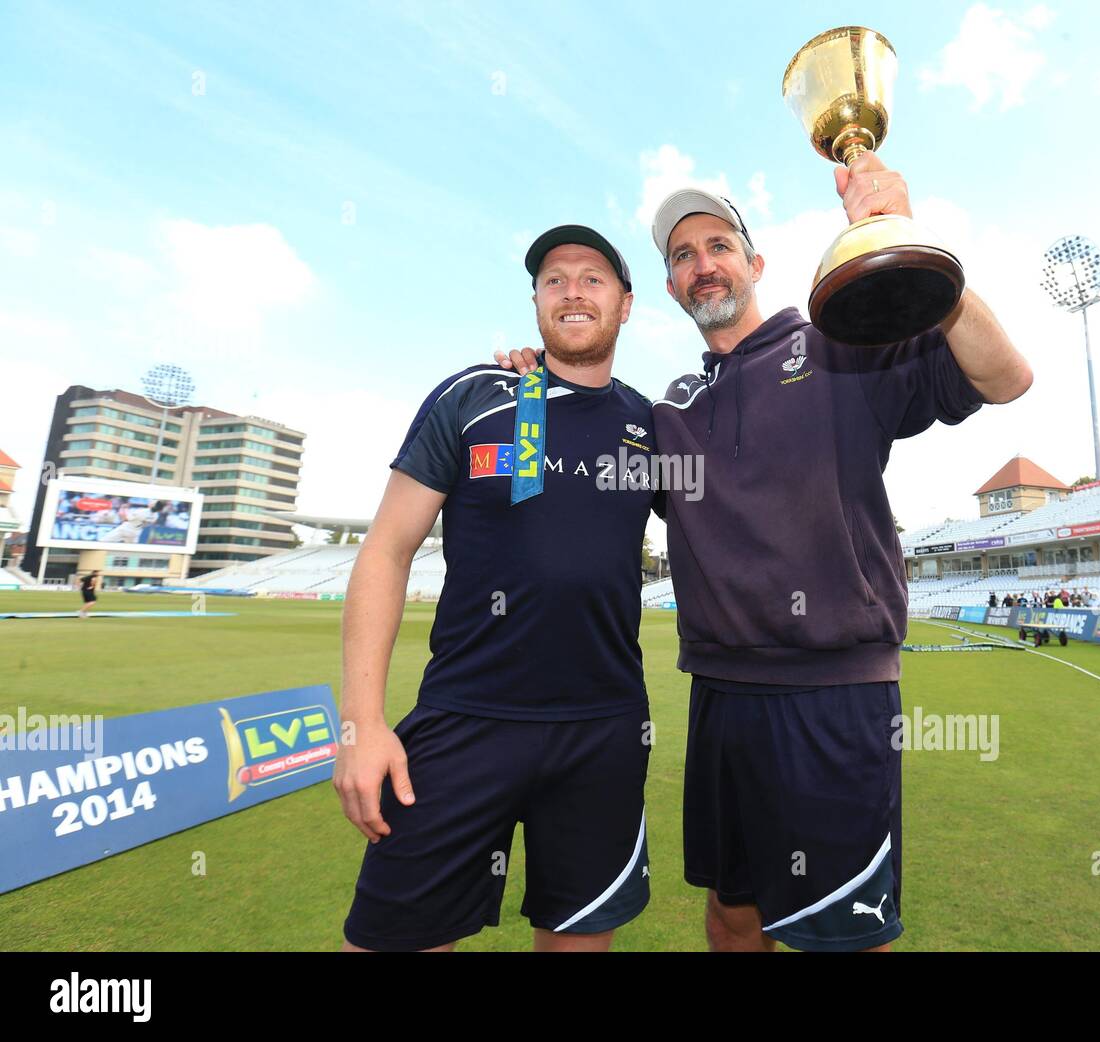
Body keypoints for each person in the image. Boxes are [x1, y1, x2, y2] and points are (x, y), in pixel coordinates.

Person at [499, 153, 1032, 952]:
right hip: (719, 700)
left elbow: (1005, 377)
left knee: (846, 936)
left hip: (832, 698)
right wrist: (540, 387)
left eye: (716, 245)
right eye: (682, 256)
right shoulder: (671, 411)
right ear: (672, 290)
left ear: (754, 263)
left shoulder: (838, 347)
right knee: (730, 914)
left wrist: (905, 244)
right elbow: (576, 469)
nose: (701, 264)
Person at [337, 226, 659, 952]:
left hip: (602, 730)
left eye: (592, 278)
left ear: (627, 304)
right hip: (464, 723)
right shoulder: (471, 397)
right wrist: (361, 722)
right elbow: (386, 551)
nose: (572, 290)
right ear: (537, 300)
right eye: (554, 279)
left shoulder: (650, 426)